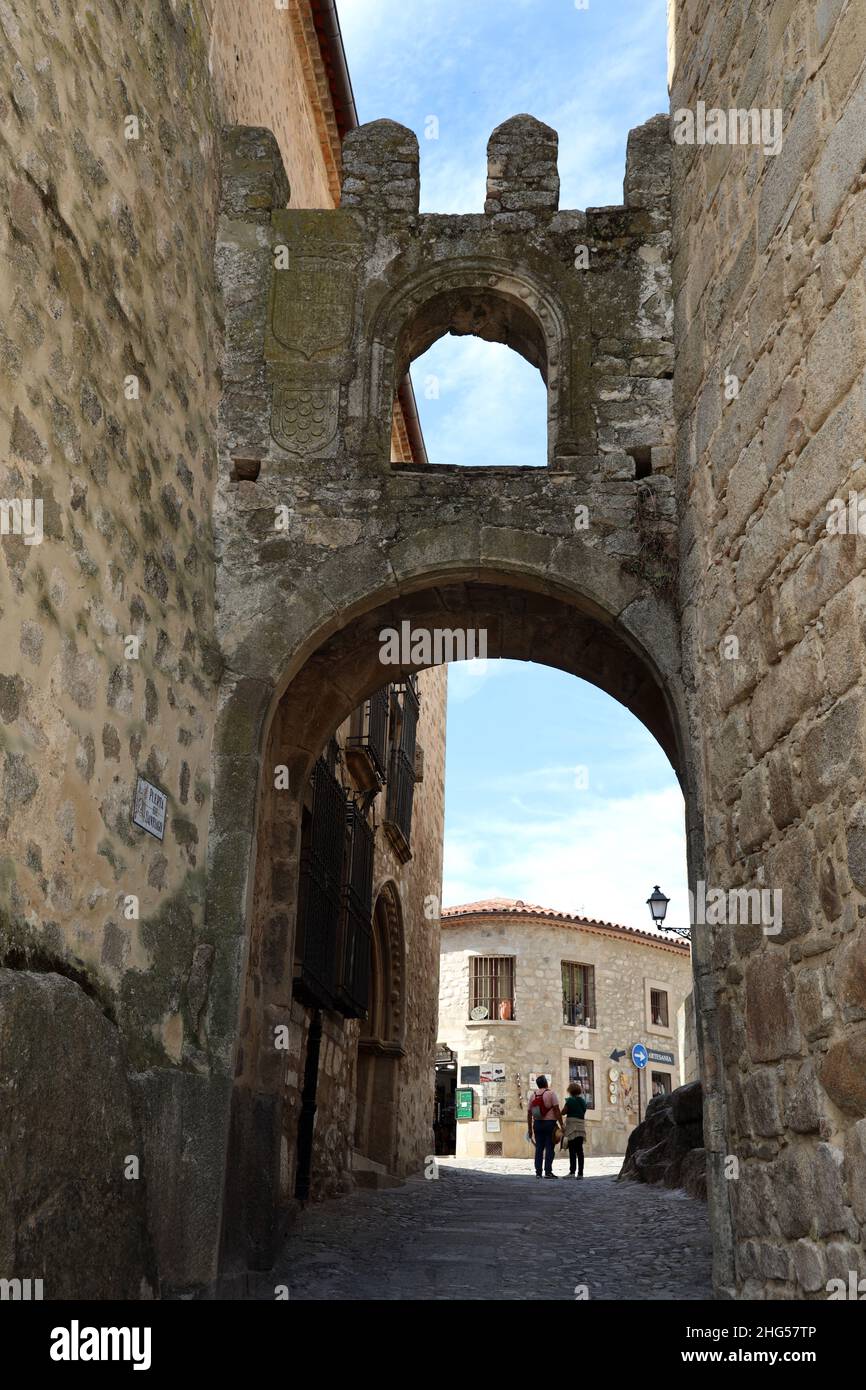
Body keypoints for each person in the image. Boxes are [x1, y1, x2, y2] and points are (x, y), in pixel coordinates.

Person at [526, 1075, 564, 1179]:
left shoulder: (533, 1095)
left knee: (539, 1148)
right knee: (549, 1148)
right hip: (550, 1124)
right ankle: (548, 1172)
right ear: (546, 1083)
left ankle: (538, 1173)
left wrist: (530, 1128)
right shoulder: (551, 1093)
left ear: (538, 1084)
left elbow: (529, 1113)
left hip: (537, 1124)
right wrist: (562, 1125)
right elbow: (557, 1110)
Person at [562, 1081, 587, 1178]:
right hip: (581, 1127)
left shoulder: (570, 1100)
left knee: (572, 1150)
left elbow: (564, 1112)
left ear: (570, 1091)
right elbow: (583, 1111)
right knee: (580, 1151)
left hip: (571, 1127)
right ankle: (580, 1173)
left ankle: (572, 1172)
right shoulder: (583, 1101)